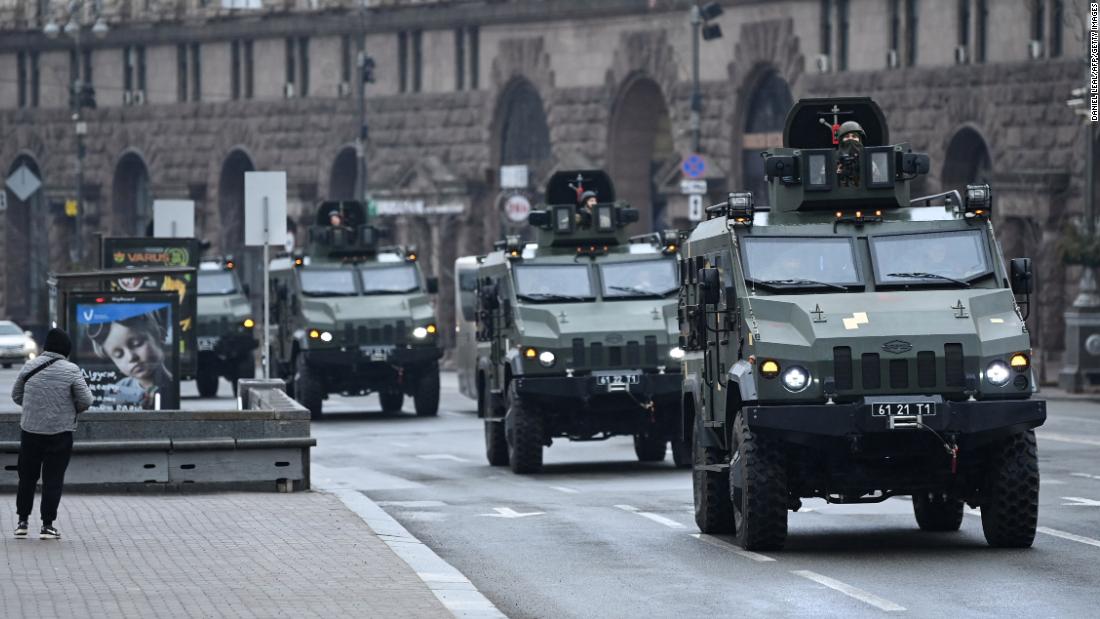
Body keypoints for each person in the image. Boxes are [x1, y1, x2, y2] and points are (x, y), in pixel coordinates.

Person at [11, 328, 93, 540]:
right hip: (60, 433)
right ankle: (47, 525)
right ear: (66, 348)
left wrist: (34, 408)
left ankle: (22, 522)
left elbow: (16, 395)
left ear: (46, 346)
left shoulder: (30, 366)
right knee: (53, 479)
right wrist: (70, 411)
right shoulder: (71, 370)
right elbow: (86, 400)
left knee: (26, 478)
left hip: (30, 431)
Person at [89, 313, 173, 410]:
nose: (131, 357)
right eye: (119, 355)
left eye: (137, 344)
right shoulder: (119, 389)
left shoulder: (174, 384)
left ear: (161, 335)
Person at [835, 120, 866, 187]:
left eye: (854, 136)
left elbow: (876, 179)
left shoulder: (867, 158)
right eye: (847, 137)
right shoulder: (832, 158)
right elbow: (822, 180)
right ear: (841, 140)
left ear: (859, 139)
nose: (850, 139)